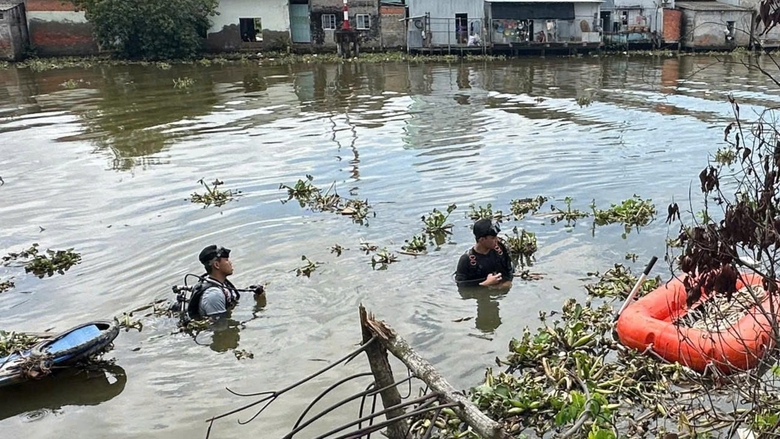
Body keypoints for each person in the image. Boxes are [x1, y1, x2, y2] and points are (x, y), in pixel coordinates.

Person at [187, 245, 263, 319]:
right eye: (226, 260)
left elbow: (234, 298)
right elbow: (221, 325)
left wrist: (254, 292)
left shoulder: (221, 284)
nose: (230, 263)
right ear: (216, 265)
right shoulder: (214, 295)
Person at [455, 218, 513, 288]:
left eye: (496, 237)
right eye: (493, 238)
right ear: (482, 240)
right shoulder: (466, 260)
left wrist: (506, 283)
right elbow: (461, 287)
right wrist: (485, 284)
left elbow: (509, 271)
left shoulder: (500, 250)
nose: (497, 240)